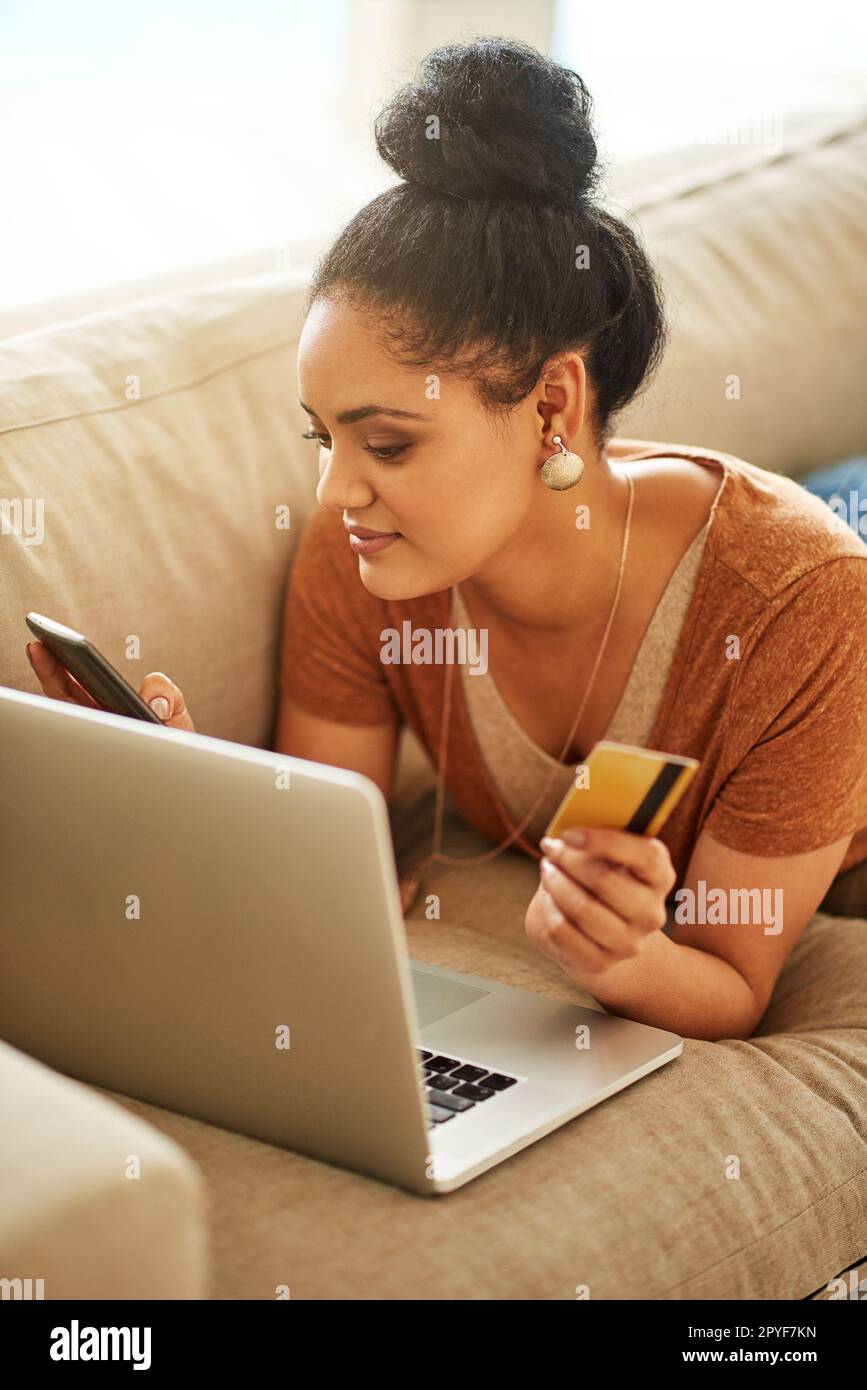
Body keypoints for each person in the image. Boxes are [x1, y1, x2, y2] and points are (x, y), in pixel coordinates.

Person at [26, 38, 867, 1042]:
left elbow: (731, 982)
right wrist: (197, 798)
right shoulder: (367, 557)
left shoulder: (804, 605)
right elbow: (341, 867)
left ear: (553, 403)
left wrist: (631, 960)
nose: (337, 490)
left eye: (386, 441)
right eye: (322, 436)